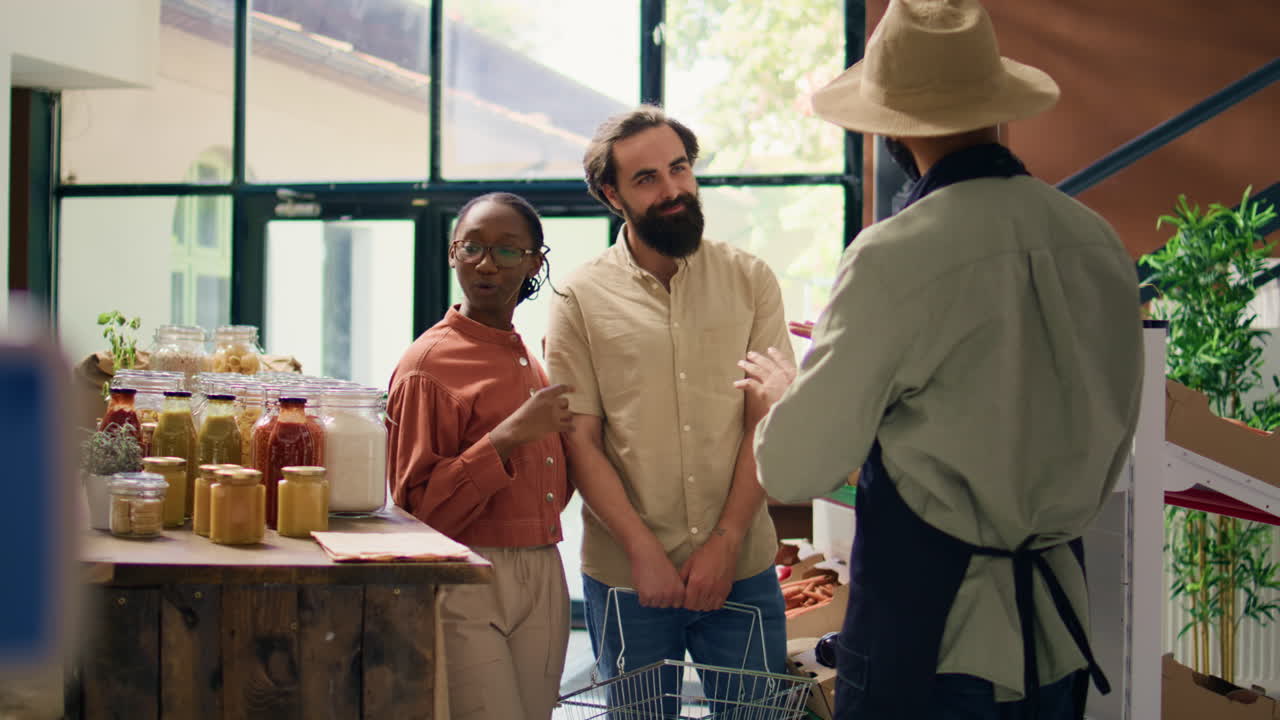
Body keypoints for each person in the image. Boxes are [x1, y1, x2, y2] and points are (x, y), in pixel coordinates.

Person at [739, 1, 1144, 718]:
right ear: (996, 108)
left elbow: (793, 467)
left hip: (934, 637)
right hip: (1056, 632)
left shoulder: (896, 253)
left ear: (893, 125)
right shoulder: (1096, 241)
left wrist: (785, 398)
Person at [545, 106, 793, 710]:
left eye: (679, 168)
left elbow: (765, 420)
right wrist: (643, 552)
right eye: (647, 178)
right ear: (613, 195)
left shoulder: (751, 280)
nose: (673, 189)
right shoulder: (579, 297)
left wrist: (726, 542)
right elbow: (580, 441)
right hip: (628, 576)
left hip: (741, 566)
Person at [386, 192, 572, 720]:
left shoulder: (530, 358)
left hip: (544, 567)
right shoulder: (426, 365)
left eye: (507, 250)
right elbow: (415, 511)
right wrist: (506, 437)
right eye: (472, 247)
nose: (486, 264)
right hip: (465, 573)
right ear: (453, 254)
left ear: (535, 261)